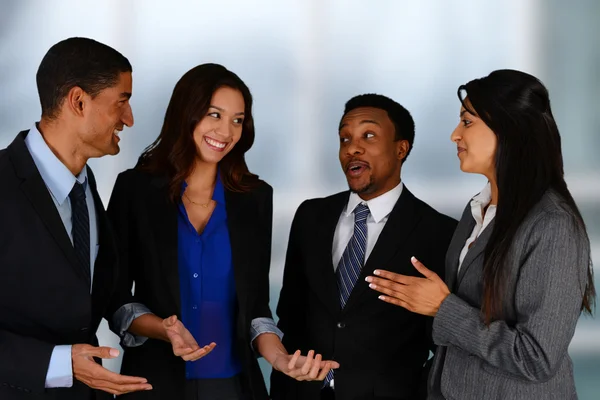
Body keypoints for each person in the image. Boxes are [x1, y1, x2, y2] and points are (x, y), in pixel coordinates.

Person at [106, 63, 337, 400]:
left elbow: (255, 307)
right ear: (188, 112)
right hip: (153, 383)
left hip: (234, 387)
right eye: (214, 114)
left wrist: (280, 358)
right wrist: (162, 329)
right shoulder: (135, 190)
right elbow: (114, 298)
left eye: (237, 120)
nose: (226, 131)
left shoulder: (255, 198)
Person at [366, 69, 597, 399]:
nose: (454, 135)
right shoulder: (477, 210)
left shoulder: (552, 225)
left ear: (508, 130)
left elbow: (537, 358)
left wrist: (442, 307)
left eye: (467, 121)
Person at [271, 94, 458, 400]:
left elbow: (445, 344)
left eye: (368, 135)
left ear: (401, 148)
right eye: (344, 138)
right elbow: (290, 315)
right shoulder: (310, 217)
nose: (352, 148)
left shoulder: (439, 232)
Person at [0, 37, 153, 399]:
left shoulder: (85, 185)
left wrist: (158, 327)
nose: (129, 119)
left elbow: (93, 291)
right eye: (122, 102)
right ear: (79, 101)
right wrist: (59, 363)